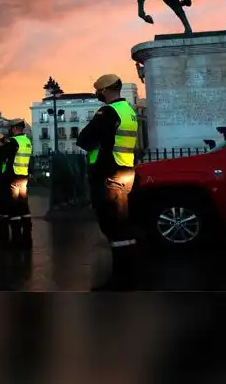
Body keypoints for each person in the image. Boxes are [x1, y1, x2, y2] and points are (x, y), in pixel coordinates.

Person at [76, 74, 140, 291]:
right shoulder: (129, 111)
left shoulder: (107, 112)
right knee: (123, 223)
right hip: (126, 170)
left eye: (97, 91)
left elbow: (84, 140)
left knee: (112, 224)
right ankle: (130, 272)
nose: (96, 94)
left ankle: (121, 280)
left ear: (104, 90)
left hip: (108, 173)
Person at [0, 119, 33, 248]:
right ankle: (27, 238)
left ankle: (16, 240)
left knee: (14, 208)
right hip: (23, 177)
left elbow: (1, 156)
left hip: (14, 178)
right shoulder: (27, 141)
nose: (9, 130)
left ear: (16, 128)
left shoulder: (14, 141)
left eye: (10, 128)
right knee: (24, 207)